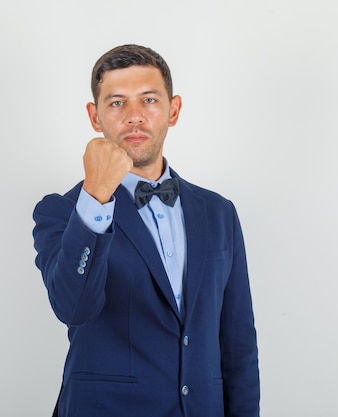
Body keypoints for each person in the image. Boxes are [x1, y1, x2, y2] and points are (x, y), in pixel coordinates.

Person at [32, 44, 259, 417]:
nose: (134, 117)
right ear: (94, 116)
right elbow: (73, 307)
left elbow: (238, 342)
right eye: (117, 103)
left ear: (173, 110)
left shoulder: (219, 212)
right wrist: (97, 196)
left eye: (149, 100)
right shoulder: (61, 210)